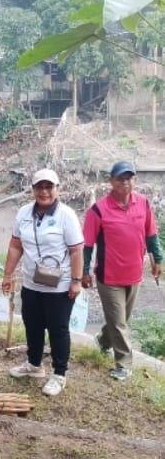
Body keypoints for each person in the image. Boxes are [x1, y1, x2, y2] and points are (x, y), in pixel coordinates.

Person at [1, 168, 84, 397]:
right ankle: (34, 364)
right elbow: (16, 246)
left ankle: (59, 374)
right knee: (33, 324)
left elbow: (77, 251)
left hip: (60, 284)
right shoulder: (23, 213)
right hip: (32, 282)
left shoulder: (66, 215)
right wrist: (7, 275)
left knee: (58, 329)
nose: (44, 191)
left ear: (58, 189)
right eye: (40, 187)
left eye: (49, 187)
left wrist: (76, 281)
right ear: (33, 190)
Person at [81, 160, 163, 381]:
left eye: (129, 178)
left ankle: (102, 340)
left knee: (121, 320)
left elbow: (151, 235)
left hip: (135, 274)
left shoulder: (143, 204)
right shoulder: (98, 210)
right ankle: (123, 365)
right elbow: (87, 245)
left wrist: (158, 259)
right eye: (120, 178)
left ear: (133, 180)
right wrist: (84, 271)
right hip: (109, 277)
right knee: (119, 322)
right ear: (111, 181)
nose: (125, 182)